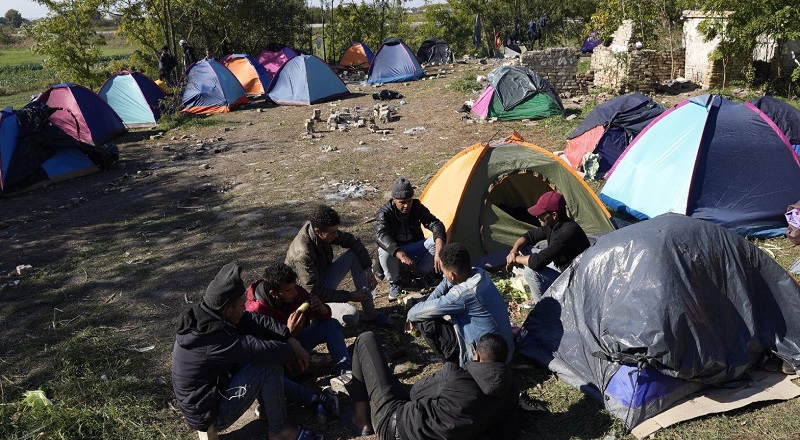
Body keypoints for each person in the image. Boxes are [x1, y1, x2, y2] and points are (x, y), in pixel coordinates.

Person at [171, 262, 327, 440]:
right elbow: (259, 349)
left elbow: (255, 321)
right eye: (242, 305)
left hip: (211, 394)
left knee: (262, 359)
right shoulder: (211, 338)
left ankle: (309, 400)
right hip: (210, 413)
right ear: (229, 310)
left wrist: (290, 339)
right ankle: (280, 431)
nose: (245, 309)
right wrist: (291, 352)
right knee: (267, 365)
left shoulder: (210, 314)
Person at [341, 331, 519, 440]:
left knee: (365, 339)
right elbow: (505, 433)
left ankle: (361, 420)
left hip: (393, 426)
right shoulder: (510, 392)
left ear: (477, 357)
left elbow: (415, 393)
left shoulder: (455, 377)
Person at [406, 243, 514, 367]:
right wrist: (427, 302)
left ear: (452, 274)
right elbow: (446, 283)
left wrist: (410, 316)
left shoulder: (462, 294)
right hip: (505, 352)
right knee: (427, 307)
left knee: (425, 321)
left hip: (486, 362)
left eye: (443, 272)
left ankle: (454, 366)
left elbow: (419, 313)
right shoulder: (479, 273)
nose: (443, 275)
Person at [285, 205, 386, 327]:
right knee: (352, 316)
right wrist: (349, 296)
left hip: (322, 278)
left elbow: (353, 241)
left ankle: (370, 313)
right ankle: (316, 318)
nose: (336, 236)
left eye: (336, 231)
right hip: (307, 298)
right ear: (317, 231)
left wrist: (369, 270)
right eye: (332, 233)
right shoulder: (302, 253)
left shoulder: (322, 231)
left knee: (354, 254)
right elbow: (312, 291)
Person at [245, 262, 352, 375]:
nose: (295, 293)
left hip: (296, 340)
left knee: (332, 324)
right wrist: (288, 334)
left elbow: (323, 317)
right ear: (273, 293)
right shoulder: (255, 312)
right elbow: (263, 351)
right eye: (288, 290)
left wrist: (322, 309)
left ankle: (345, 370)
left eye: (294, 287)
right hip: (276, 354)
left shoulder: (295, 292)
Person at [505, 191, 590, 302]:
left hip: (572, 278)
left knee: (530, 271)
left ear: (554, 215)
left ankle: (543, 311)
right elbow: (529, 236)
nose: (537, 216)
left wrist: (514, 259)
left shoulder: (568, 232)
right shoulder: (551, 224)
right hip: (558, 264)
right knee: (525, 249)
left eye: (541, 214)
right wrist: (513, 251)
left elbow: (537, 262)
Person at [375, 177, 446, 300]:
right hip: (396, 254)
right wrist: (402, 255)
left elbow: (435, 223)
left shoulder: (417, 206)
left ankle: (419, 276)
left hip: (414, 249)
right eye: (402, 202)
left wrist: (440, 247)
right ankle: (395, 283)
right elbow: (381, 235)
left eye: (409, 201)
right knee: (383, 250)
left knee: (437, 241)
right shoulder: (385, 212)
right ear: (394, 200)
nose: (406, 205)